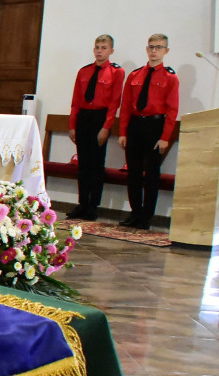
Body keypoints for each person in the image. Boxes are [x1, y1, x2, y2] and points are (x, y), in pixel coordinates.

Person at [118, 34, 179, 230]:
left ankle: (147, 216)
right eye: (151, 47)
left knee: (152, 174)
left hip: (155, 127)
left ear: (166, 51)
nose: (154, 51)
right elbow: (126, 105)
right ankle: (135, 213)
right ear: (147, 49)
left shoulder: (170, 77)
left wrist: (164, 137)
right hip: (136, 125)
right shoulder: (135, 75)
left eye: (159, 47)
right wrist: (123, 132)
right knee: (133, 172)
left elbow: (172, 110)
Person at [66, 34, 124, 221]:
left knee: (97, 164)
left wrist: (106, 127)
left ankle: (93, 206)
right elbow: (75, 101)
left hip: (100, 118)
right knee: (83, 164)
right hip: (84, 117)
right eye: (97, 47)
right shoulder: (84, 71)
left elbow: (114, 103)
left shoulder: (116, 72)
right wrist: (72, 125)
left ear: (111, 51)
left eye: (104, 47)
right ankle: (82, 203)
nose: (100, 50)